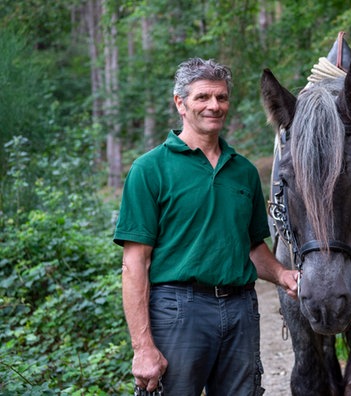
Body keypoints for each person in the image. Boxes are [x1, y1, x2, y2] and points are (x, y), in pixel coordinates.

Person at [113, 57, 298, 395]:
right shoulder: (150, 169)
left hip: (241, 309)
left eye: (222, 97)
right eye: (203, 97)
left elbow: (252, 246)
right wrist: (143, 348)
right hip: (178, 309)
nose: (214, 105)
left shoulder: (242, 171)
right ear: (180, 103)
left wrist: (284, 275)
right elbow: (134, 263)